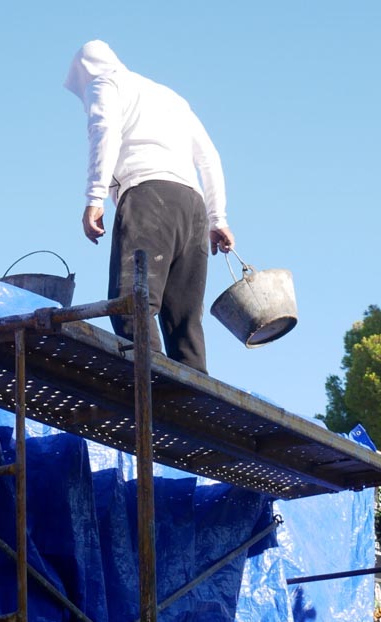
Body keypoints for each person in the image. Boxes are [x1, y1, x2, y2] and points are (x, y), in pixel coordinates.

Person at [64, 40, 233, 373]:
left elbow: (104, 130)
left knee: (130, 305)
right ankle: (191, 415)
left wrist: (95, 197)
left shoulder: (105, 83)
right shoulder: (169, 97)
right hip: (193, 207)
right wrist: (218, 217)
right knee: (184, 324)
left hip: (149, 198)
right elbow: (209, 158)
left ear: (85, 74)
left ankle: (152, 399)